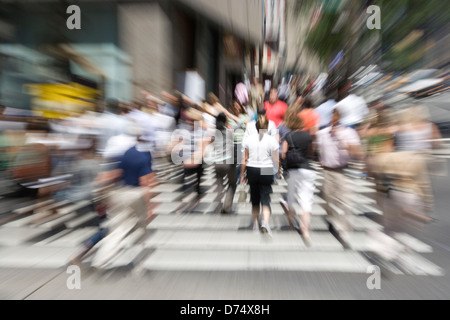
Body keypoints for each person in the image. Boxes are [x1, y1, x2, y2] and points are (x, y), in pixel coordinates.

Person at [316, 108, 364, 237]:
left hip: (343, 171)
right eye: (332, 117)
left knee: (344, 201)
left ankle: (344, 230)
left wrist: (341, 140)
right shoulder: (323, 133)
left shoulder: (349, 133)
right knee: (328, 200)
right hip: (327, 171)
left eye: (336, 117)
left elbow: (358, 152)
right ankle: (332, 220)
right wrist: (320, 159)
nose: (333, 120)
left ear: (341, 118)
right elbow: (318, 149)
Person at [241, 110, 280, 236]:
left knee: (255, 197)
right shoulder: (271, 140)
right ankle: (266, 223)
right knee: (265, 197)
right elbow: (276, 159)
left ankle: (255, 223)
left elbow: (244, 159)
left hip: (252, 168)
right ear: (267, 126)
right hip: (266, 168)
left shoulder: (249, 139)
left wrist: (242, 174)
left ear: (256, 126)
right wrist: (278, 171)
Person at [204, 113, 236, 214]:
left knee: (219, 185)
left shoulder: (213, 133)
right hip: (228, 162)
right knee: (232, 184)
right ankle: (227, 206)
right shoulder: (229, 132)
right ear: (225, 121)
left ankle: (219, 206)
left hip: (217, 163)